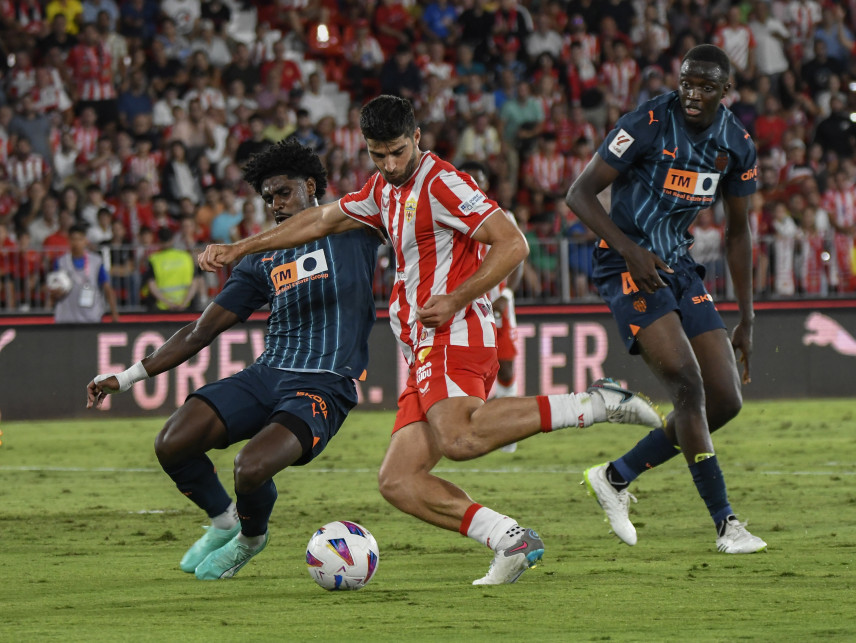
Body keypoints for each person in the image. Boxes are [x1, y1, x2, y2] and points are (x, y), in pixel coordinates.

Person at [198, 95, 665, 585]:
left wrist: (455, 297)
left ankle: (595, 403)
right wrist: (240, 248)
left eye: (398, 152)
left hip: (453, 331)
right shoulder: (382, 190)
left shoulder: (442, 183)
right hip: (419, 346)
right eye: (378, 155)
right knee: (399, 481)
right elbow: (318, 220)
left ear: (417, 138)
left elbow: (513, 243)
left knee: (460, 437)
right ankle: (510, 539)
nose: (390, 164)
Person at [86, 141, 381, 580]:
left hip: (322, 383)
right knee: (172, 441)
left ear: (311, 186)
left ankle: (249, 538)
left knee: (251, 466)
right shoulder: (262, 257)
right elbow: (201, 330)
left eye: (283, 193)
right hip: (267, 373)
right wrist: (127, 376)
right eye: (268, 198)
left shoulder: (354, 225)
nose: (275, 205)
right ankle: (224, 520)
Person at [565, 45, 767, 555]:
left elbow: (739, 234)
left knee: (725, 398)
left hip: (676, 265)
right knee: (688, 386)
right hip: (626, 264)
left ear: (726, 92)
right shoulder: (649, 122)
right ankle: (727, 524)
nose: (693, 93)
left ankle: (616, 475)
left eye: (705, 86)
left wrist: (746, 315)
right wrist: (629, 250)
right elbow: (580, 194)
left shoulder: (736, 144)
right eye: (686, 82)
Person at [459, 160, 523, 453]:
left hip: (496, 304)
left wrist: (507, 293)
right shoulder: (450, 217)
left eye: (480, 179)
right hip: (465, 305)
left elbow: (519, 257)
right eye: (469, 179)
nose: (475, 184)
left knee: (506, 366)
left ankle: (508, 433)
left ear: (485, 184)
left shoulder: (502, 216)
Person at [50, 222, 119, 323]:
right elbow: (53, 289)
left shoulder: (96, 261)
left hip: (91, 318)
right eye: (73, 239)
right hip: (66, 318)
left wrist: (114, 314)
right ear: (68, 240)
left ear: (85, 241)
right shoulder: (60, 262)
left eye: (80, 239)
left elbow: (107, 288)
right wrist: (56, 292)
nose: (76, 243)